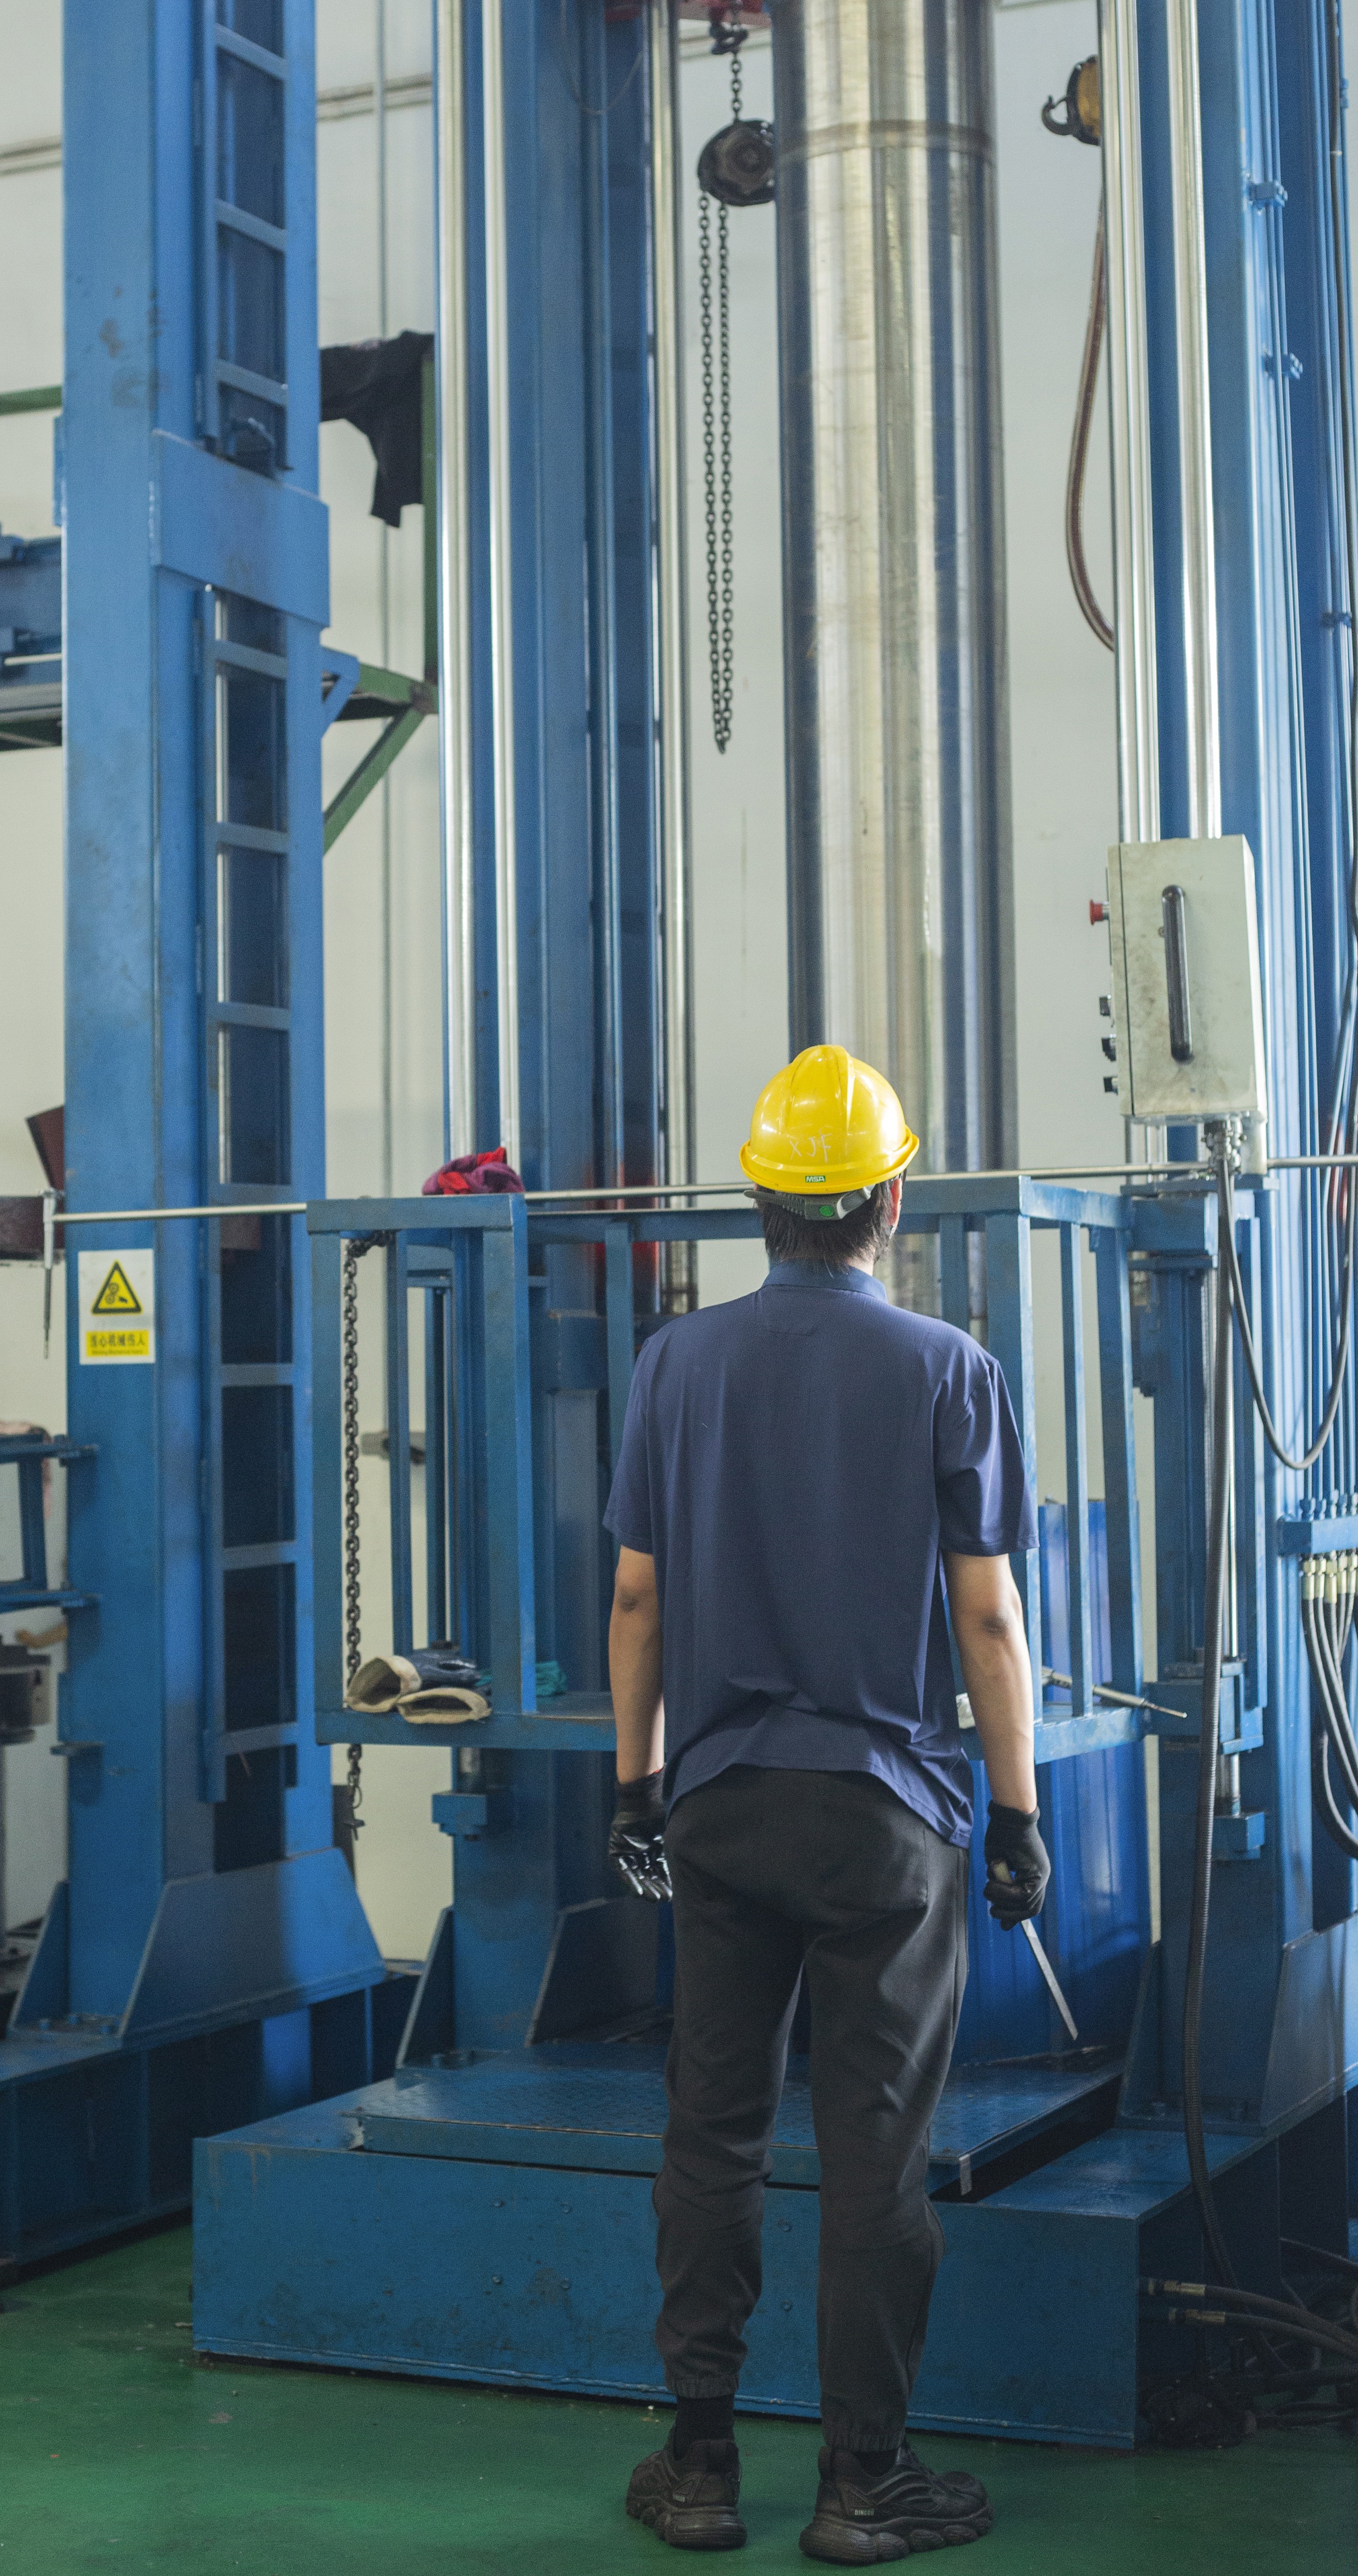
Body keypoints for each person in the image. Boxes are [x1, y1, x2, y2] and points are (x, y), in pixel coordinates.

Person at [603, 1045, 1047, 2564]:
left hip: (721, 1803)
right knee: (873, 2150)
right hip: (889, 1821)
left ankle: (702, 2465)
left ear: (758, 1204)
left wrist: (633, 1780)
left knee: (712, 2133)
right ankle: (866, 2484)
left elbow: (638, 1597)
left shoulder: (676, 1365)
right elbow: (987, 1624)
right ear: (893, 1199)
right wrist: (1020, 1812)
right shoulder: (948, 1368)